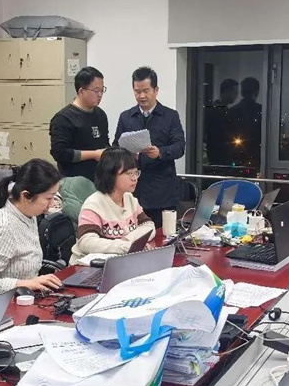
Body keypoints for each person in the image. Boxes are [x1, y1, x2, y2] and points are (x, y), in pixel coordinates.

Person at [0, 159, 64, 304]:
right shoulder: (2, 227)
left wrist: (33, 282)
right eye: (48, 198)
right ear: (25, 196)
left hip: (21, 301)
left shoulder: (28, 215)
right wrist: (23, 284)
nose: (51, 204)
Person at [113, 66, 186, 227]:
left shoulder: (170, 116)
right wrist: (128, 155)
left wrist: (160, 152)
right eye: (137, 91)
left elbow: (180, 147)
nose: (142, 96)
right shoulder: (126, 117)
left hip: (162, 191)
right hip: (132, 190)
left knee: (163, 234)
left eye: (146, 91)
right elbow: (115, 148)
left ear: (156, 90)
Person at [70, 147, 156, 265]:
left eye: (136, 172)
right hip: (88, 267)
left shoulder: (129, 198)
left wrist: (128, 240)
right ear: (110, 175)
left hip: (120, 262)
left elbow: (149, 226)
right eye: (129, 173)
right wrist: (125, 246)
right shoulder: (94, 203)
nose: (134, 178)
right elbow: (86, 242)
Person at [49, 66, 109, 182]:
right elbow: (60, 153)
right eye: (96, 91)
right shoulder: (64, 118)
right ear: (81, 91)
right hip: (74, 182)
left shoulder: (100, 114)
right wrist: (94, 154)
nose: (100, 95)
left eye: (102, 90)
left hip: (99, 180)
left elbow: (104, 143)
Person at [228, 77, 262, 167]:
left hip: (236, 156)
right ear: (256, 92)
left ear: (241, 91)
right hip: (257, 156)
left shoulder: (232, 111)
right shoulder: (261, 111)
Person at [205, 78, 239, 165]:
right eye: (235, 92)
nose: (236, 95)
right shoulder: (216, 110)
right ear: (227, 91)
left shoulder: (224, 109)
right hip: (219, 153)